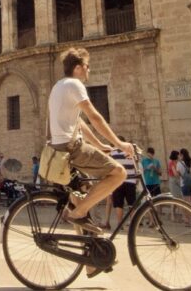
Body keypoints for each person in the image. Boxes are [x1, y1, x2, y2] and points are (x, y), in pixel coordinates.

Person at [47, 48, 132, 238]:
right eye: (87, 66)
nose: (89, 70)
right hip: (72, 148)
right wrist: (120, 144)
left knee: (80, 196)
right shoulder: (75, 85)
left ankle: (90, 259)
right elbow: (94, 117)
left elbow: (79, 122)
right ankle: (77, 213)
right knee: (119, 173)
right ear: (78, 68)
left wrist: (99, 145)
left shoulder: (58, 86)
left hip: (59, 149)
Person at [109, 139, 139, 226]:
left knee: (118, 204)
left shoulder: (112, 153)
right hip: (130, 180)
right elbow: (135, 165)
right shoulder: (129, 152)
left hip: (118, 181)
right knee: (132, 203)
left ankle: (119, 223)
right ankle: (134, 223)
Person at [177, 149, 191, 213]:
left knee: (188, 204)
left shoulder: (179, 164)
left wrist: (184, 175)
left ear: (181, 155)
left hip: (184, 185)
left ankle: (189, 220)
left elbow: (177, 175)